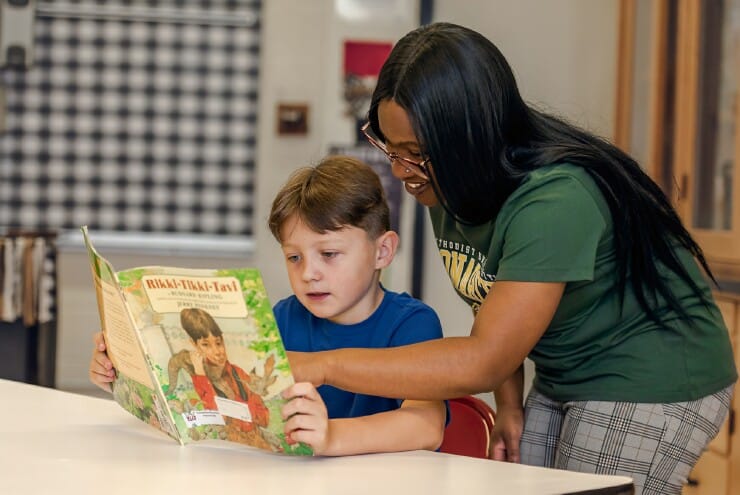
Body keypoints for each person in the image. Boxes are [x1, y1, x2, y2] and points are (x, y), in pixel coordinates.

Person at [283, 22, 737, 494]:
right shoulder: (446, 187)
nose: (400, 172)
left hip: (650, 372)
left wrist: (321, 364)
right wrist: (511, 404)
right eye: (389, 148)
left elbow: (482, 358)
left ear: (468, 141)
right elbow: (492, 300)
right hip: (564, 371)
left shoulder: (556, 199)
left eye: (416, 154)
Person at [90, 155, 447, 457]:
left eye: (329, 254)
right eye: (294, 257)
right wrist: (128, 376)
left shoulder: (413, 325)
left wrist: (332, 436)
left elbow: (427, 425)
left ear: (382, 251)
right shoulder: (278, 320)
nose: (308, 273)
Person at [172, 307, 273, 450]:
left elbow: (264, 416)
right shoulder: (197, 378)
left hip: (255, 444)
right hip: (222, 449)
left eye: (218, 343)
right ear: (194, 345)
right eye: (206, 345)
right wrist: (200, 374)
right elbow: (214, 416)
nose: (217, 352)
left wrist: (245, 411)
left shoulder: (238, 373)